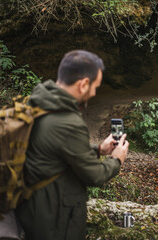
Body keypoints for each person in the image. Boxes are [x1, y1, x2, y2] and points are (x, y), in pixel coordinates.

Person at [15, 50, 129, 240]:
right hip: (57, 217)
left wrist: (99, 149)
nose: (94, 93)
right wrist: (116, 159)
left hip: (34, 209)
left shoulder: (37, 103)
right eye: (95, 87)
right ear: (84, 84)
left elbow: (54, 148)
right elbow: (94, 175)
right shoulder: (67, 121)